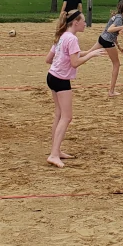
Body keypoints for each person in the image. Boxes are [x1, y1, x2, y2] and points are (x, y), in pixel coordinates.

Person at [45, 10, 89, 168]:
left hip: (52, 76)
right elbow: (75, 62)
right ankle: (54, 154)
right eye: (83, 21)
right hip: (61, 80)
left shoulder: (62, 36)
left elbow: (49, 59)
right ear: (75, 22)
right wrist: (89, 56)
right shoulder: (72, 38)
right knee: (67, 117)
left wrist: (89, 52)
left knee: (59, 114)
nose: (85, 24)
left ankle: (56, 150)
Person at [81, 0, 123, 96]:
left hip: (102, 38)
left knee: (88, 53)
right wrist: (122, 27)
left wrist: (119, 46)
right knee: (116, 64)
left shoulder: (119, 17)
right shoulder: (119, 18)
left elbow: (113, 34)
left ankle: (69, 55)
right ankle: (111, 91)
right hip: (107, 41)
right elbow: (110, 29)